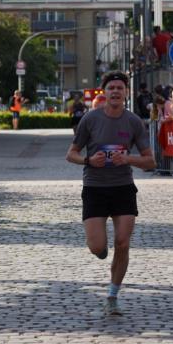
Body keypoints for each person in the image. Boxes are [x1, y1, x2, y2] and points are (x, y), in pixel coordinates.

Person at [65, 70, 155, 316]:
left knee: (123, 243)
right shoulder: (90, 119)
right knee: (97, 247)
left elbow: (150, 161)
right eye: (111, 88)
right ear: (104, 92)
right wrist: (88, 160)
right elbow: (71, 154)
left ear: (126, 93)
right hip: (95, 188)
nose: (115, 91)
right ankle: (101, 250)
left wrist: (128, 159)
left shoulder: (134, 122)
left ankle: (113, 296)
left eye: (119, 88)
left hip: (123, 187)